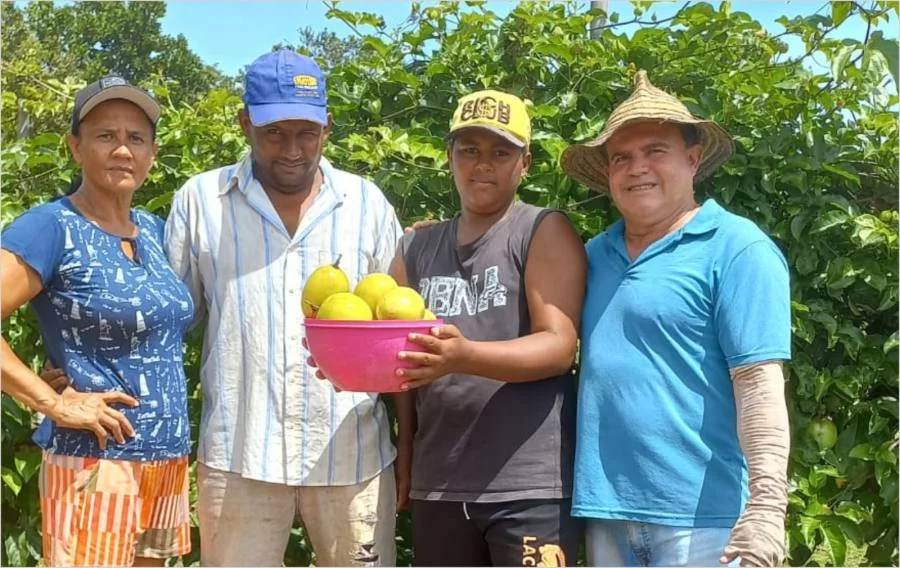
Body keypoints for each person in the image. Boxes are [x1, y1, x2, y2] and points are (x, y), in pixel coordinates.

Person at [164, 49, 401, 566]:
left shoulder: (367, 204)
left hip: (352, 459)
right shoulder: (200, 201)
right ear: (245, 123)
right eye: (274, 133)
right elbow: (169, 321)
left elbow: (398, 328)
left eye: (307, 133)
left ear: (328, 127)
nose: (292, 150)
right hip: (239, 457)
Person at [560, 70, 791, 567]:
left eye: (655, 150)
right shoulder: (592, 255)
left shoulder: (737, 248)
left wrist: (768, 507)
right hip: (606, 515)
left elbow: (758, 382)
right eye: (621, 157)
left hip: (702, 522)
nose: (636, 167)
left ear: (692, 158)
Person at [1, 76, 194, 566]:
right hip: (95, 460)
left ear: (152, 152)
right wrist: (53, 403)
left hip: (164, 460)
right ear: (75, 147)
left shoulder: (153, 229)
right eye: (106, 136)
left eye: (136, 138)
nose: (122, 150)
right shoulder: (52, 227)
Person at [390, 90, 587, 566]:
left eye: (501, 153)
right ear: (449, 156)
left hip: (527, 486)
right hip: (438, 483)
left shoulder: (542, 230)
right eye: (470, 150)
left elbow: (559, 347)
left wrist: (465, 357)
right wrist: (407, 448)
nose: (483, 165)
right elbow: (397, 359)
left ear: (525, 163)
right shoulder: (415, 247)